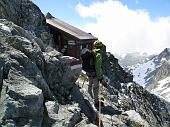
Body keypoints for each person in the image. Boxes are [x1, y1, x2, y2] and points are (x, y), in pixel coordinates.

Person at [81, 40, 104, 110]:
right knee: (96, 87)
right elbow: (98, 67)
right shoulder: (98, 54)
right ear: (101, 47)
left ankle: (90, 98)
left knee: (90, 84)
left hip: (88, 71)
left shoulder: (91, 52)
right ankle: (96, 102)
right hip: (94, 73)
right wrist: (100, 77)